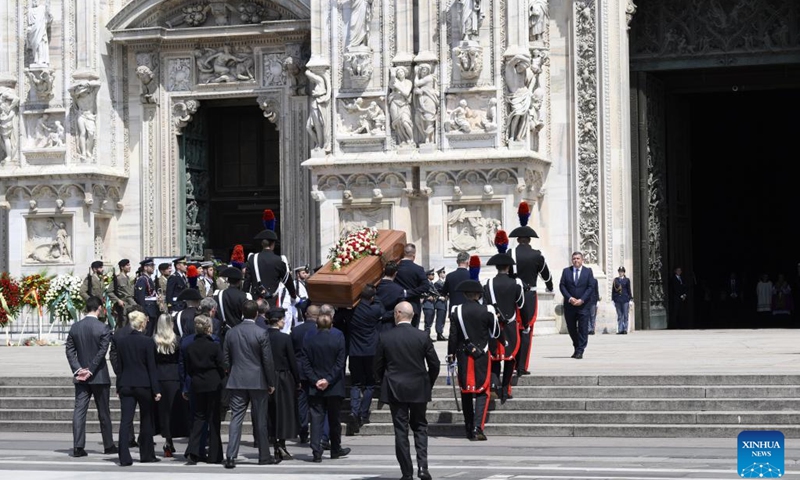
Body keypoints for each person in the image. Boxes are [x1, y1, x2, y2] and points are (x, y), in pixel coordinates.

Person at [374, 301, 440, 480]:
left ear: (397, 313)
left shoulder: (385, 336)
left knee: (401, 431)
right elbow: (434, 364)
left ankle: (407, 472)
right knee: (420, 427)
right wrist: (428, 382)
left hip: (395, 388)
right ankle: (423, 468)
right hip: (418, 386)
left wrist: (384, 381)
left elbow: (377, 366)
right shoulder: (422, 336)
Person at [223, 300, 278, 468]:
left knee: (236, 419)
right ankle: (264, 456)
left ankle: (231, 455)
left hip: (237, 379)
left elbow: (225, 359)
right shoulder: (261, 333)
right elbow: (267, 360)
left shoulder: (231, 333)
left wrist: (230, 370)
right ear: (256, 314)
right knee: (260, 419)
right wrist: (271, 382)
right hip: (257, 380)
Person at [447, 280, 499, 440]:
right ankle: (478, 427)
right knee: (482, 391)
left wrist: (450, 354)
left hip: (463, 355)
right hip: (482, 354)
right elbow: (495, 333)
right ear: (479, 295)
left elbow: (453, 336)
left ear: (464, 295)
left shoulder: (456, 310)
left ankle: (468, 427)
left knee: (466, 392)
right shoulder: (488, 309)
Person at [65, 296, 116, 457]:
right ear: (99, 308)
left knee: (79, 411)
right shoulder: (103, 328)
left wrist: (78, 369)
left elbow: (69, 351)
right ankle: (108, 445)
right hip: (99, 375)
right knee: (104, 412)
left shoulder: (75, 327)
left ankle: (78, 446)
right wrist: (91, 369)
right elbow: (102, 351)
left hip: (81, 377)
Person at [301, 313, 350, 462]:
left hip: (316, 385)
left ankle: (316, 451)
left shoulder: (309, 338)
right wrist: (328, 380)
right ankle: (335, 448)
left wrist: (316, 380)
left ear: (317, 325)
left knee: (316, 419)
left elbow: (306, 362)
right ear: (331, 325)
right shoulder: (338, 336)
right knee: (334, 419)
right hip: (333, 385)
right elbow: (340, 362)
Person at [116, 311, 162, 466]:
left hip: (126, 384)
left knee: (125, 421)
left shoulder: (122, 342)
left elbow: (120, 367)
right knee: (146, 420)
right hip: (144, 384)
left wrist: (118, 386)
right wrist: (156, 389)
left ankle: (123, 456)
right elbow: (152, 368)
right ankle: (147, 454)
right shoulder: (148, 342)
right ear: (143, 324)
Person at [507, 225, 553, 375]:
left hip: (513, 296)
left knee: (514, 329)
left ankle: (512, 363)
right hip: (529, 297)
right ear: (529, 240)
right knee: (526, 330)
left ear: (519, 240)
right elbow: (546, 275)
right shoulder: (536, 255)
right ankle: (522, 366)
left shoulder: (510, 253)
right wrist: (550, 287)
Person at [184, 315, 225, 465]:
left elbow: (189, 367)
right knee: (214, 419)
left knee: (198, 417)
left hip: (197, 383)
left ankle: (193, 450)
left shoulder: (190, 346)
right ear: (208, 329)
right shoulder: (214, 346)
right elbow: (222, 365)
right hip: (213, 383)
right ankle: (214, 455)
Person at [484, 253, 524, 402]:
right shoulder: (516, 283)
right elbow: (520, 304)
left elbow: (486, 306)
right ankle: (506, 388)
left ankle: (495, 384)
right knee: (509, 357)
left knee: (495, 357)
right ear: (508, 267)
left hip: (493, 326)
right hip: (510, 325)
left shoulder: (487, 283)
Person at [346, 285, 384, 434]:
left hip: (355, 351)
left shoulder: (352, 311)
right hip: (371, 351)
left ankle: (354, 411)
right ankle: (362, 413)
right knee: (369, 384)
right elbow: (381, 308)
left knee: (355, 383)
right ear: (373, 298)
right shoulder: (375, 310)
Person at [265, 307, 300, 460]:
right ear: (278, 321)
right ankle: (281, 444)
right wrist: (297, 380)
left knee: (270, 413)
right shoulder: (284, 338)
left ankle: (273, 443)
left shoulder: (263, 336)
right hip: (283, 377)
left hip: (266, 377)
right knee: (284, 412)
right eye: (282, 319)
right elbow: (292, 361)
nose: (284, 322)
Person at [153, 313, 185, 458]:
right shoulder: (177, 340)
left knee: (163, 411)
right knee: (173, 410)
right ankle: (171, 438)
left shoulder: (153, 340)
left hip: (159, 376)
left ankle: (167, 440)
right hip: (174, 377)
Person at [291, 304, 319, 444]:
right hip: (315, 371)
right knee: (315, 403)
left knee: (301, 402)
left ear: (306, 315)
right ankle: (316, 432)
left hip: (300, 370)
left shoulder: (296, 330)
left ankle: (302, 429)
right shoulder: (320, 330)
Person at [243, 229, 297, 301]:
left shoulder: (252, 259)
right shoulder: (278, 260)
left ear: (262, 244)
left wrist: (244, 296)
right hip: (272, 300)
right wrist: (293, 295)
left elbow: (247, 281)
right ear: (273, 244)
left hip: (256, 300)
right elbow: (287, 281)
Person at [559, 252, 595, 359]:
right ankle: (576, 345)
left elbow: (590, 287)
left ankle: (580, 350)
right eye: (574, 258)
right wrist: (570, 298)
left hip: (583, 306)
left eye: (578, 258)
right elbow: (562, 286)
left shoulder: (588, 272)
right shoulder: (566, 271)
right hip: (570, 306)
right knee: (571, 328)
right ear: (571, 260)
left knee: (583, 329)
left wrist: (582, 299)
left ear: (582, 260)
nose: (576, 260)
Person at [394, 244, 429, 328]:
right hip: (413, 305)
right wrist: (409, 293)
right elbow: (426, 286)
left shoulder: (395, 268)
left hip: (397, 304)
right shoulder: (418, 269)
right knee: (413, 331)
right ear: (414, 255)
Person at [215, 267, 249, 332]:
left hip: (224, 331)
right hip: (239, 331)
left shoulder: (219, 295)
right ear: (239, 282)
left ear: (228, 281)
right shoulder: (244, 296)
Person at [376, 261, 407, 331]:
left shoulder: (376, 286)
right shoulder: (399, 290)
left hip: (374, 324)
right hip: (390, 324)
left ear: (384, 270)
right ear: (395, 273)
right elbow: (400, 308)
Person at [107, 259, 136, 328]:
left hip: (130, 305)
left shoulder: (127, 278)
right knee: (122, 326)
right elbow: (109, 291)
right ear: (122, 267)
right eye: (127, 265)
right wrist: (118, 300)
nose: (129, 267)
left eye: (129, 265)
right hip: (123, 307)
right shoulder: (118, 278)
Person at [134, 258, 160, 323]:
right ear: (145, 267)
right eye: (151, 266)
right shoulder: (142, 280)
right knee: (147, 332)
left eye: (153, 266)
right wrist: (144, 313)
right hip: (148, 309)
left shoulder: (148, 279)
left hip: (152, 309)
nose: (153, 268)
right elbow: (141, 298)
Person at [611, 267, 633, 334]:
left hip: (625, 299)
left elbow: (629, 289)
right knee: (620, 315)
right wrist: (613, 299)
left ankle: (625, 329)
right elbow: (613, 290)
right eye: (619, 272)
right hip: (617, 299)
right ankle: (620, 329)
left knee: (625, 315)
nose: (620, 273)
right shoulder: (616, 280)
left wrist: (631, 299)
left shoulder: (627, 280)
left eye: (622, 272)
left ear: (624, 272)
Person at [422, 269, 437, 337]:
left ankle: (428, 336)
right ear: (428, 276)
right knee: (427, 323)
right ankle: (426, 336)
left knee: (430, 322)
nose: (433, 276)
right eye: (432, 274)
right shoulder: (426, 284)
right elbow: (422, 293)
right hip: (427, 305)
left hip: (432, 305)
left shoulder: (431, 283)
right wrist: (427, 297)